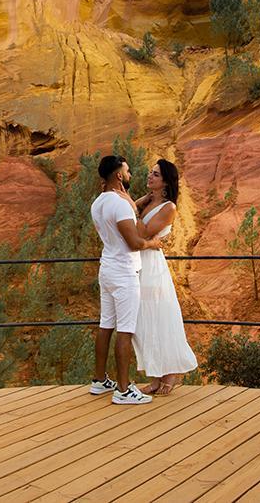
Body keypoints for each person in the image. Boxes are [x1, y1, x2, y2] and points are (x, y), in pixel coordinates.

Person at [88, 155, 162, 405]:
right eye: (127, 171)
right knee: (125, 331)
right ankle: (123, 389)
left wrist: (135, 201)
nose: (130, 175)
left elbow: (121, 222)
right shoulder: (119, 205)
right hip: (124, 272)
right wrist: (154, 244)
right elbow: (134, 242)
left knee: (105, 325)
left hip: (106, 268)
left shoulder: (98, 202)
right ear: (119, 175)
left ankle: (99, 380)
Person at [132, 159, 198, 395]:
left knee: (158, 316)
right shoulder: (149, 201)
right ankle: (156, 375)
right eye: (150, 172)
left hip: (152, 268)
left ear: (166, 181)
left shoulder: (168, 207)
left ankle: (170, 374)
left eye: (156, 174)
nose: (150, 176)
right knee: (144, 320)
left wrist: (132, 209)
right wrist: (138, 205)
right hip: (139, 262)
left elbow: (142, 232)